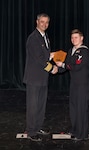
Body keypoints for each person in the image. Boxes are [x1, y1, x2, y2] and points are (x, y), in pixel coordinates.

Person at [23, 13, 58, 141]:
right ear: (36, 22)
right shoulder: (33, 38)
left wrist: (52, 55)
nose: (45, 24)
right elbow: (39, 59)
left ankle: (38, 127)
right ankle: (31, 131)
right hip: (34, 78)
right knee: (33, 105)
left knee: (41, 105)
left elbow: (44, 55)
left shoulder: (44, 37)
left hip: (42, 78)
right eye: (42, 22)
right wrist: (52, 68)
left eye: (47, 22)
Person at [56, 29, 89, 141]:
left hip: (82, 85)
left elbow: (76, 66)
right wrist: (55, 68)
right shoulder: (71, 50)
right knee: (74, 108)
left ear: (82, 38)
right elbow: (66, 65)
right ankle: (75, 129)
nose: (73, 39)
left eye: (76, 37)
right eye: (72, 37)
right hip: (74, 84)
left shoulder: (84, 52)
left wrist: (63, 65)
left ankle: (81, 134)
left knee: (81, 109)